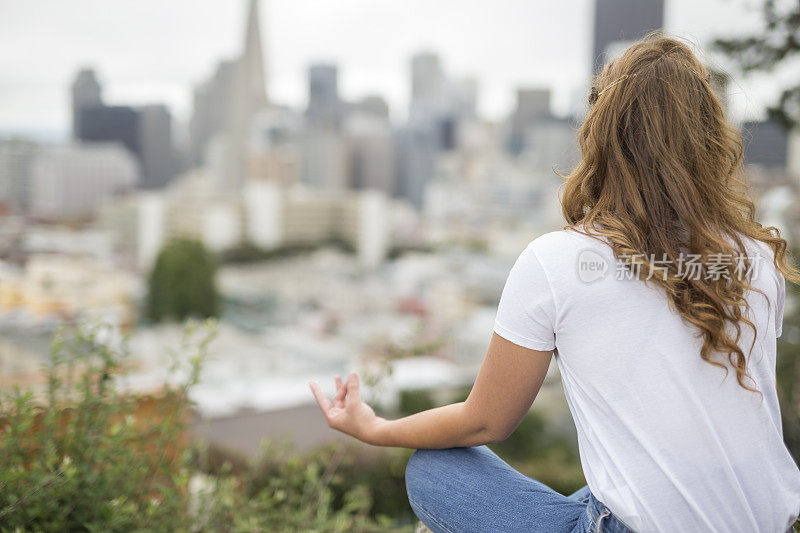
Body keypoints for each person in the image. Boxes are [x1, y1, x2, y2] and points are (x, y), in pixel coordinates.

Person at [309, 33, 800, 532]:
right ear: (711, 137)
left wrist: (375, 427)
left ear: (602, 135)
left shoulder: (559, 262)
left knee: (436, 469)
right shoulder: (757, 258)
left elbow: (486, 422)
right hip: (767, 522)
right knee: (610, 475)